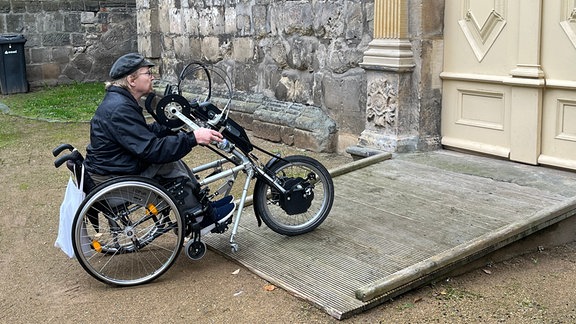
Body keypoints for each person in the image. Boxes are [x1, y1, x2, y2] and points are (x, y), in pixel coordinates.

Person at [83, 52, 234, 235]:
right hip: (112, 176)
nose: (152, 77)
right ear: (132, 80)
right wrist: (193, 138)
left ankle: (203, 208)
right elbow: (151, 149)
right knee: (169, 166)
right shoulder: (120, 108)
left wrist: (169, 125)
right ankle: (199, 219)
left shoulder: (121, 101)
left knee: (173, 159)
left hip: (115, 166)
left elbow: (140, 134)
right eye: (147, 73)